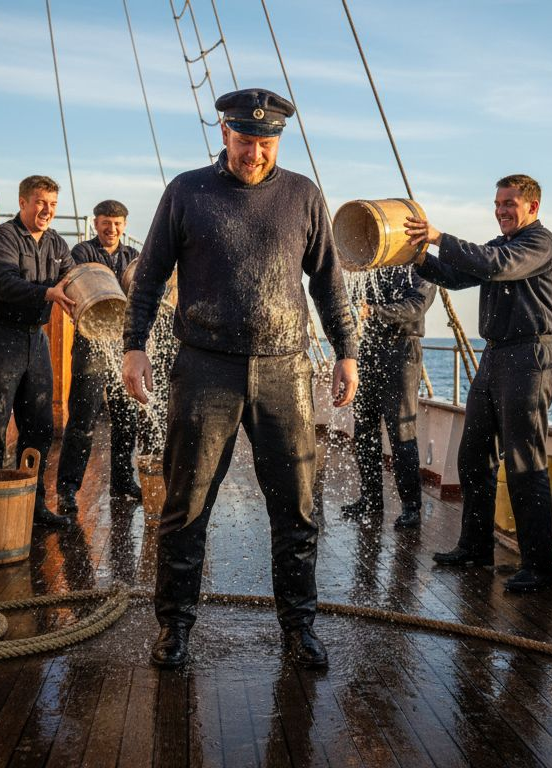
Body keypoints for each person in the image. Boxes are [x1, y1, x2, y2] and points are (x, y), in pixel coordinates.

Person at [122, 88, 359, 669]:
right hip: (205, 368)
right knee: (185, 505)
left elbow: (328, 282)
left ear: (279, 140)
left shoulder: (303, 195)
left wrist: (347, 351)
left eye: (266, 142)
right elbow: (149, 276)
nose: (254, 152)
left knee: (297, 509)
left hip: (285, 369)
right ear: (224, 133)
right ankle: (174, 627)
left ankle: (299, 628)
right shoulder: (186, 192)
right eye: (245, 140)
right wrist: (134, 346)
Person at [404, 174, 552, 594]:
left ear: (533, 207)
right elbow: (458, 275)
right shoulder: (500, 245)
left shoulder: (539, 244)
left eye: (509, 203)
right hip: (494, 357)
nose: (501, 210)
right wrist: (418, 256)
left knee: (524, 463)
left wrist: (439, 236)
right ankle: (476, 547)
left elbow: (495, 265)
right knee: (473, 456)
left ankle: (539, 569)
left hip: (529, 358)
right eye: (497, 203)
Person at [0, 174, 76, 529]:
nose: (47, 210)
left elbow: (73, 279)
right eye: (41, 202)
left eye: (53, 204)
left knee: (40, 428)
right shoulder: (3, 237)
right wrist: (48, 293)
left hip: (35, 338)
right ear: (23, 202)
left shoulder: (57, 244)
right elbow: (6, 284)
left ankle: (33, 506)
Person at [55, 200, 142, 516]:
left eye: (117, 223)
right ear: (96, 224)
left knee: (126, 418)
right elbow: (77, 284)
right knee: (82, 419)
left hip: (123, 347)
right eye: (106, 222)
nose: (112, 229)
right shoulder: (82, 253)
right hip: (90, 344)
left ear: (125, 225)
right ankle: (67, 488)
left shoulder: (132, 256)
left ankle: (122, 481)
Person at [341, 267, 436, 529]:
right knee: (364, 429)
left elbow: (416, 306)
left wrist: (374, 311)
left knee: (401, 432)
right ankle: (370, 499)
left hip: (402, 350)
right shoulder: (374, 267)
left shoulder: (420, 268)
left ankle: (411, 507)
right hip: (369, 348)